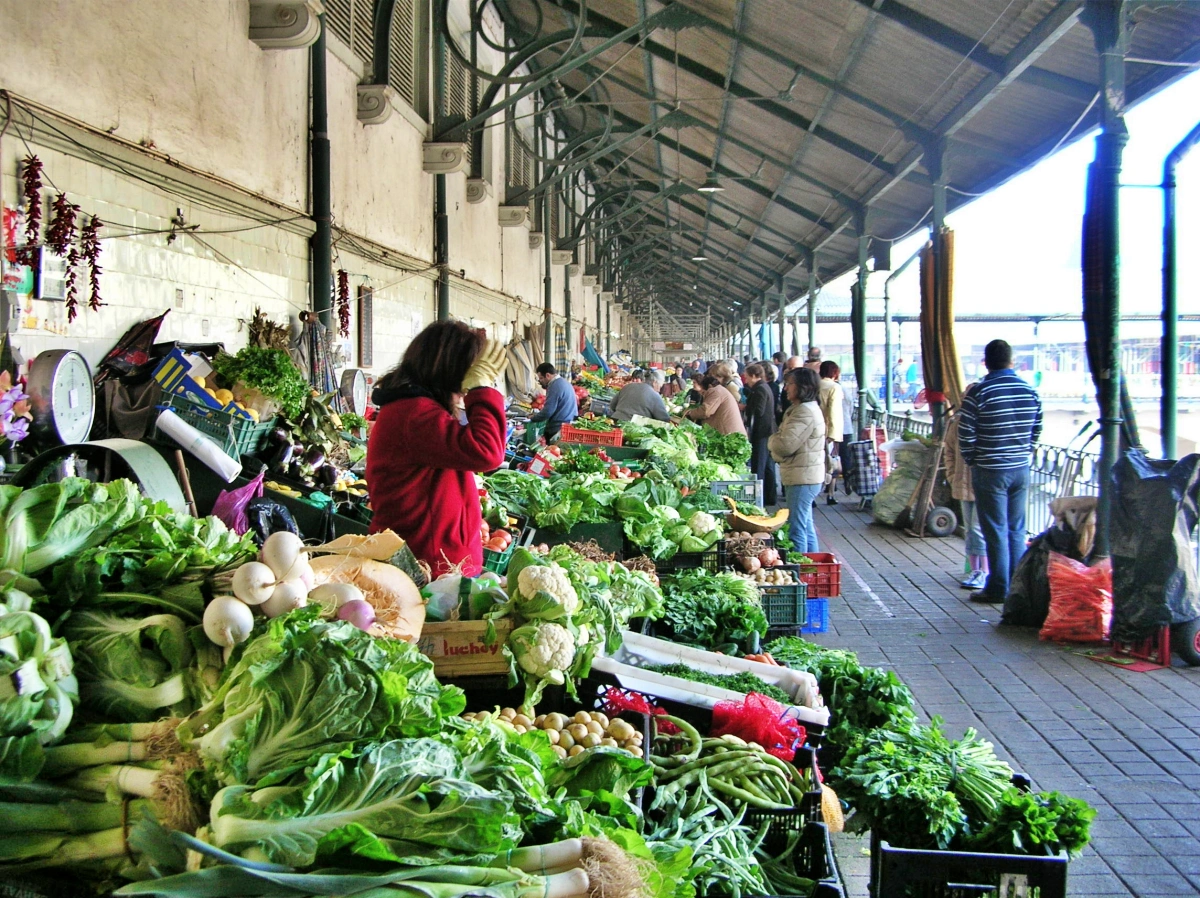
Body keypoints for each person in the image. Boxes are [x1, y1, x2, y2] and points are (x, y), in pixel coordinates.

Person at [366, 321, 507, 577]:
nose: (465, 389)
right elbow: (487, 451)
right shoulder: (416, 414)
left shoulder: (415, 408)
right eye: (469, 372)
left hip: (433, 559)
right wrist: (481, 389)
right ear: (451, 369)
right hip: (428, 565)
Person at [958, 339, 1043, 603]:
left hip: (990, 469)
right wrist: (1022, 452)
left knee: (994, 529)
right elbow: (1036, 430)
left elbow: (966, 433)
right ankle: (1018, 589)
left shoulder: (980, 392)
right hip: (1020, 468)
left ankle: (997, 588)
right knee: (1017, 529)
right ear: (1012, 361)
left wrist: (974, 459)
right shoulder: (1029, 391)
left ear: (986, 362)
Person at [769, 367, 826, 553]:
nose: (785, 388)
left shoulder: (804, 412)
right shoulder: (801, 409)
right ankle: (810, 569)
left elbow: (784, 445)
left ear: (802, 386)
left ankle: (799, 570)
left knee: (796, 529)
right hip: (803, 474)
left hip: (803, 477)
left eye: (789, 384)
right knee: (805, 526)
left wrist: (772, 442)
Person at [944, 383, 988, 590]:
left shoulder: (986, 423)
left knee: (978, 529)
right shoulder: (957, 423)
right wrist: (953, 476)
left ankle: (982, 571)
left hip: (981, 484)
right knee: (971, 529)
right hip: (963, 483)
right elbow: (949, 451)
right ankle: (974, 569)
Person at [741, 364, 777, 506]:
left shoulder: (760, 389)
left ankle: (758, 499)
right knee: (768, 465)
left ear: (755, 376)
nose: (746, 380)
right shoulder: (763, 387)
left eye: (748, 377)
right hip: (767, 431)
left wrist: (746, 408)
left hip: (761, 432)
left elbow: (759, 411)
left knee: (759, 465)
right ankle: (769, 497)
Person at [817, 361, 845, 506]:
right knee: (831, 463)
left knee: (817, 463)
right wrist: (834, 435)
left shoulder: (815, 385)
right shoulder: (834, 387)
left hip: (815, 429)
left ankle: (814, 496)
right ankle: (831, 494)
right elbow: (834, 412)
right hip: (828, 430)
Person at [531, 362, 578, 441]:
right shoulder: (564, 382)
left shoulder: (554, 386)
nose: (540, 381)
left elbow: (548, 411)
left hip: (559, 428)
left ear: (548, 375)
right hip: (569, 424)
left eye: (541, 378)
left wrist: (533, 418)